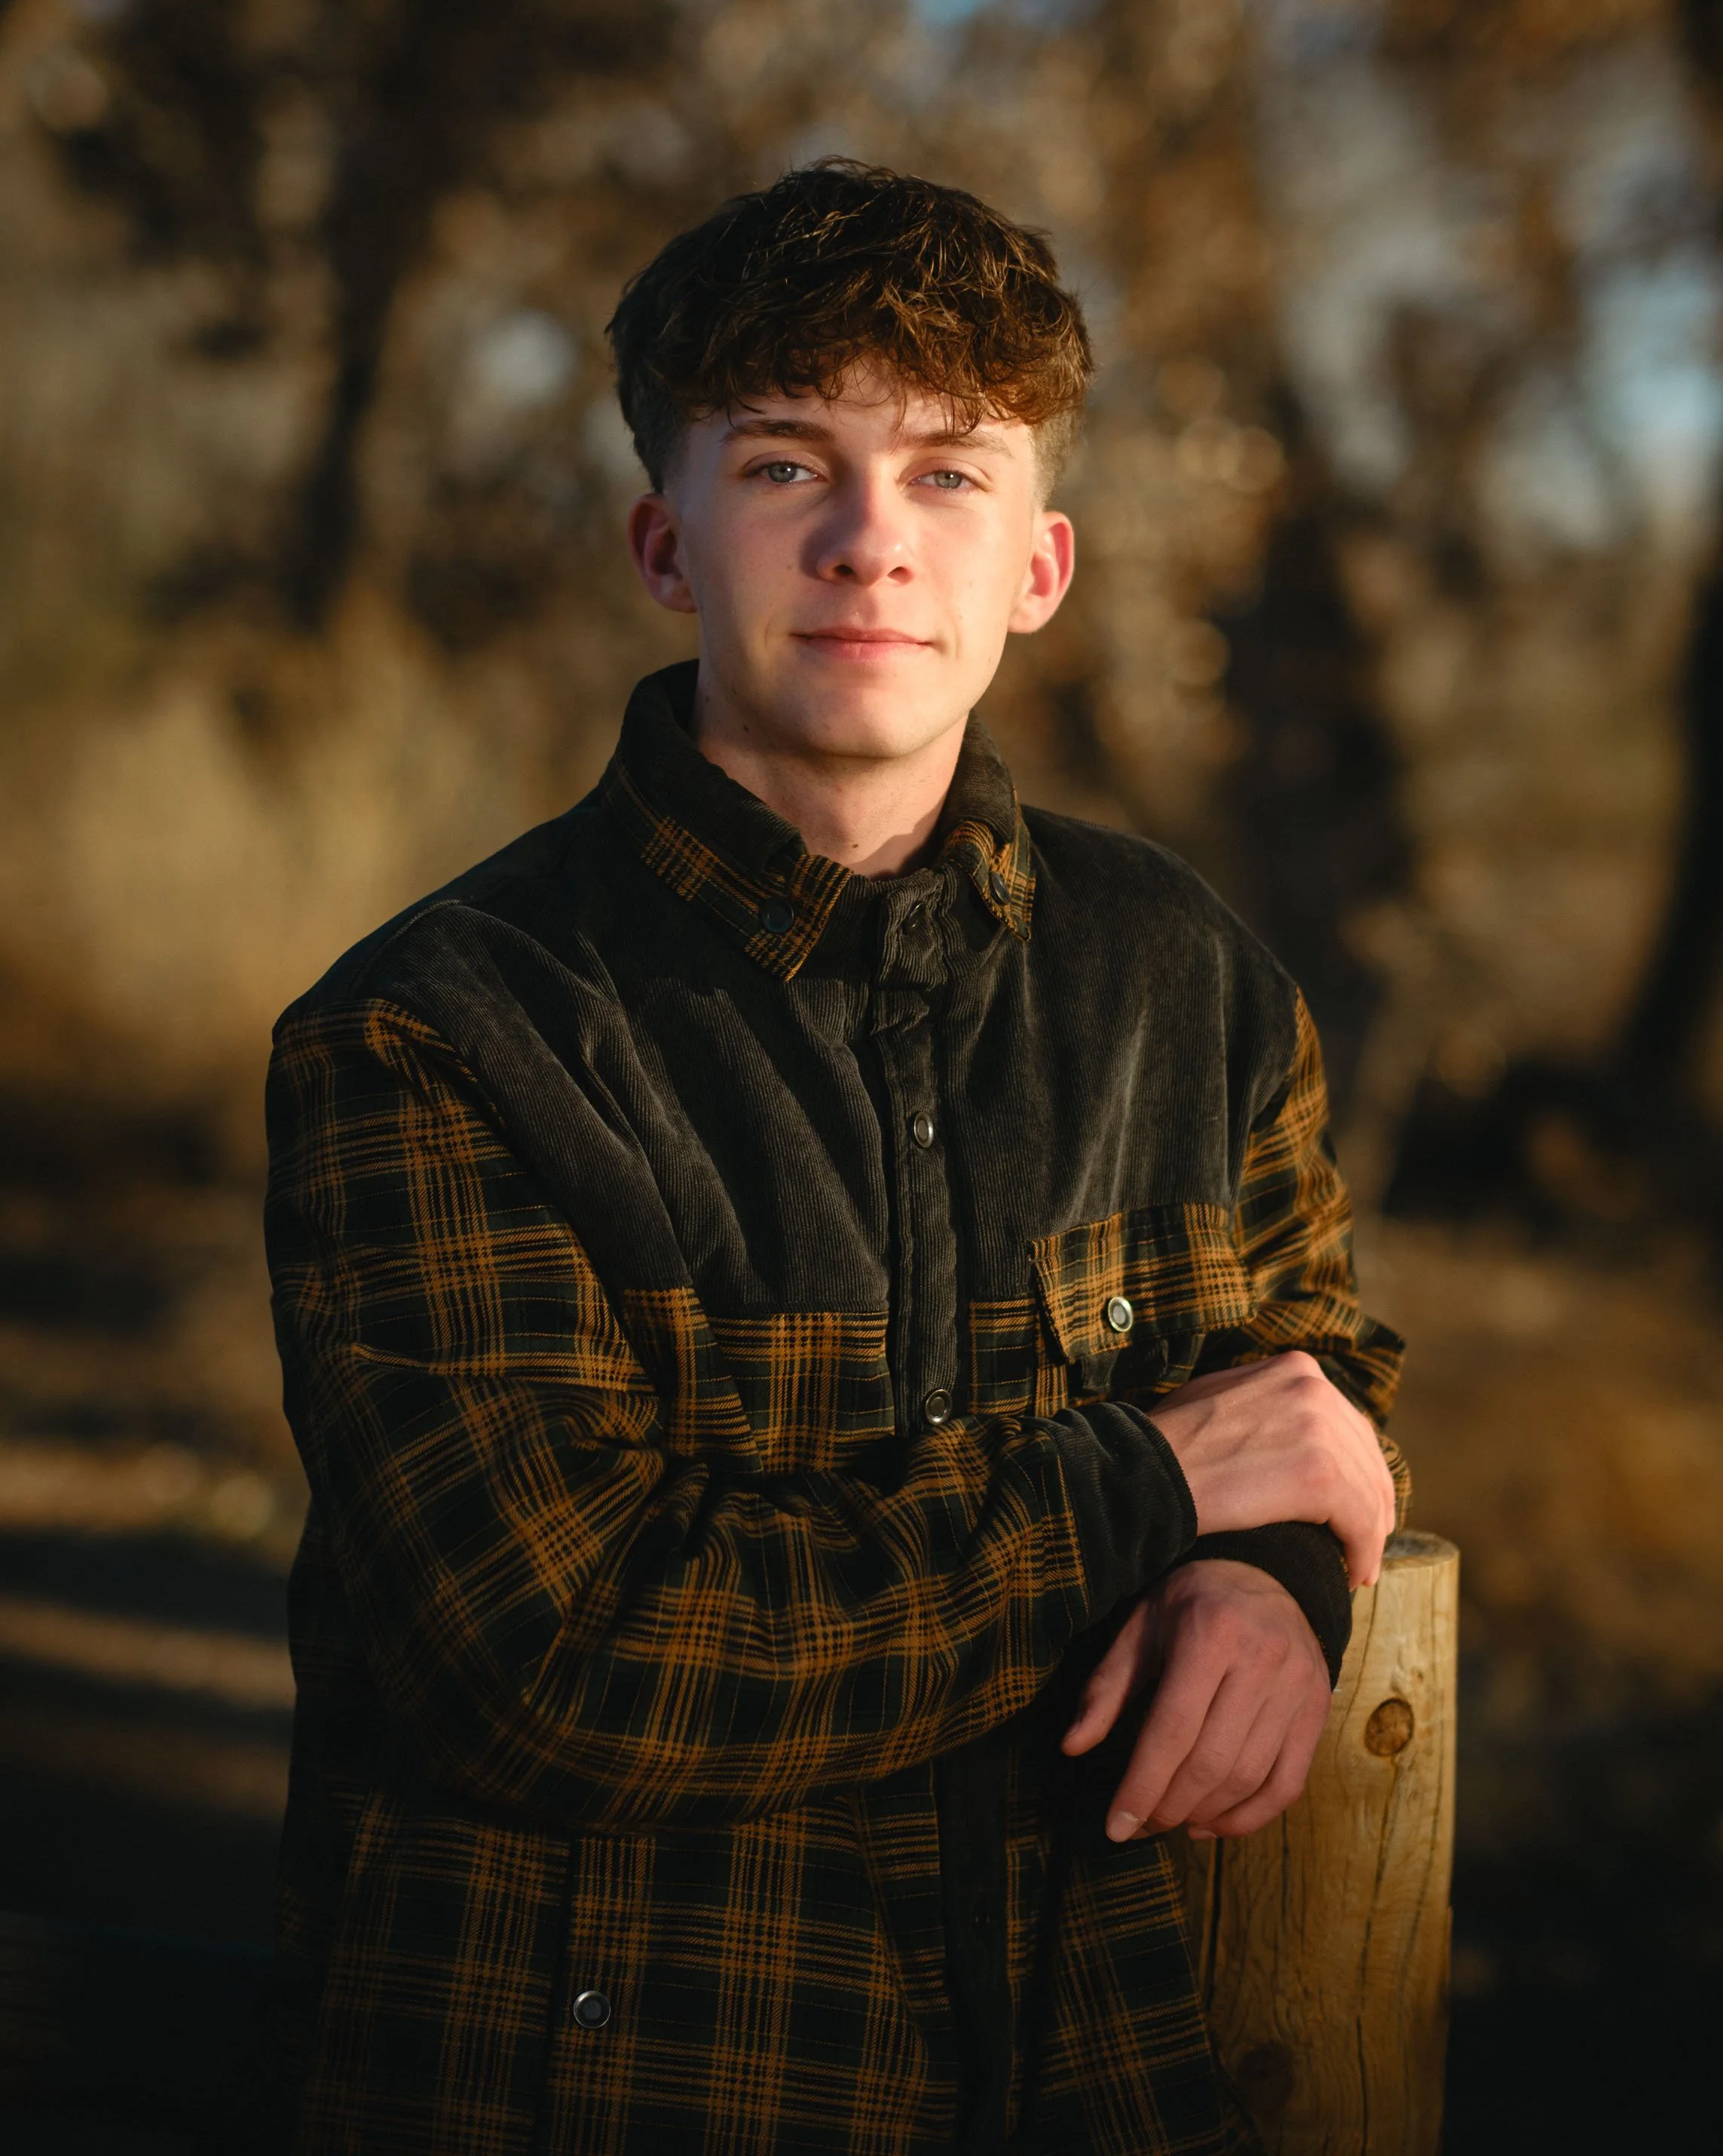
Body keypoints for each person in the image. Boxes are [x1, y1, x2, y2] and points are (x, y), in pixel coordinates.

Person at [262, 161, 1405, 2156]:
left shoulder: (1185, 980)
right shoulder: (441, 1031)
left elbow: (1303, 1386)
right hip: (615, 2091)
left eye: (949, 473)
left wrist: (1272, 1576)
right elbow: (552, 1662)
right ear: (665, 541)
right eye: (788, 465)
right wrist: (1139, 1494)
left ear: (1039, 566)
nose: (872, 539)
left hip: (1094, 2081)